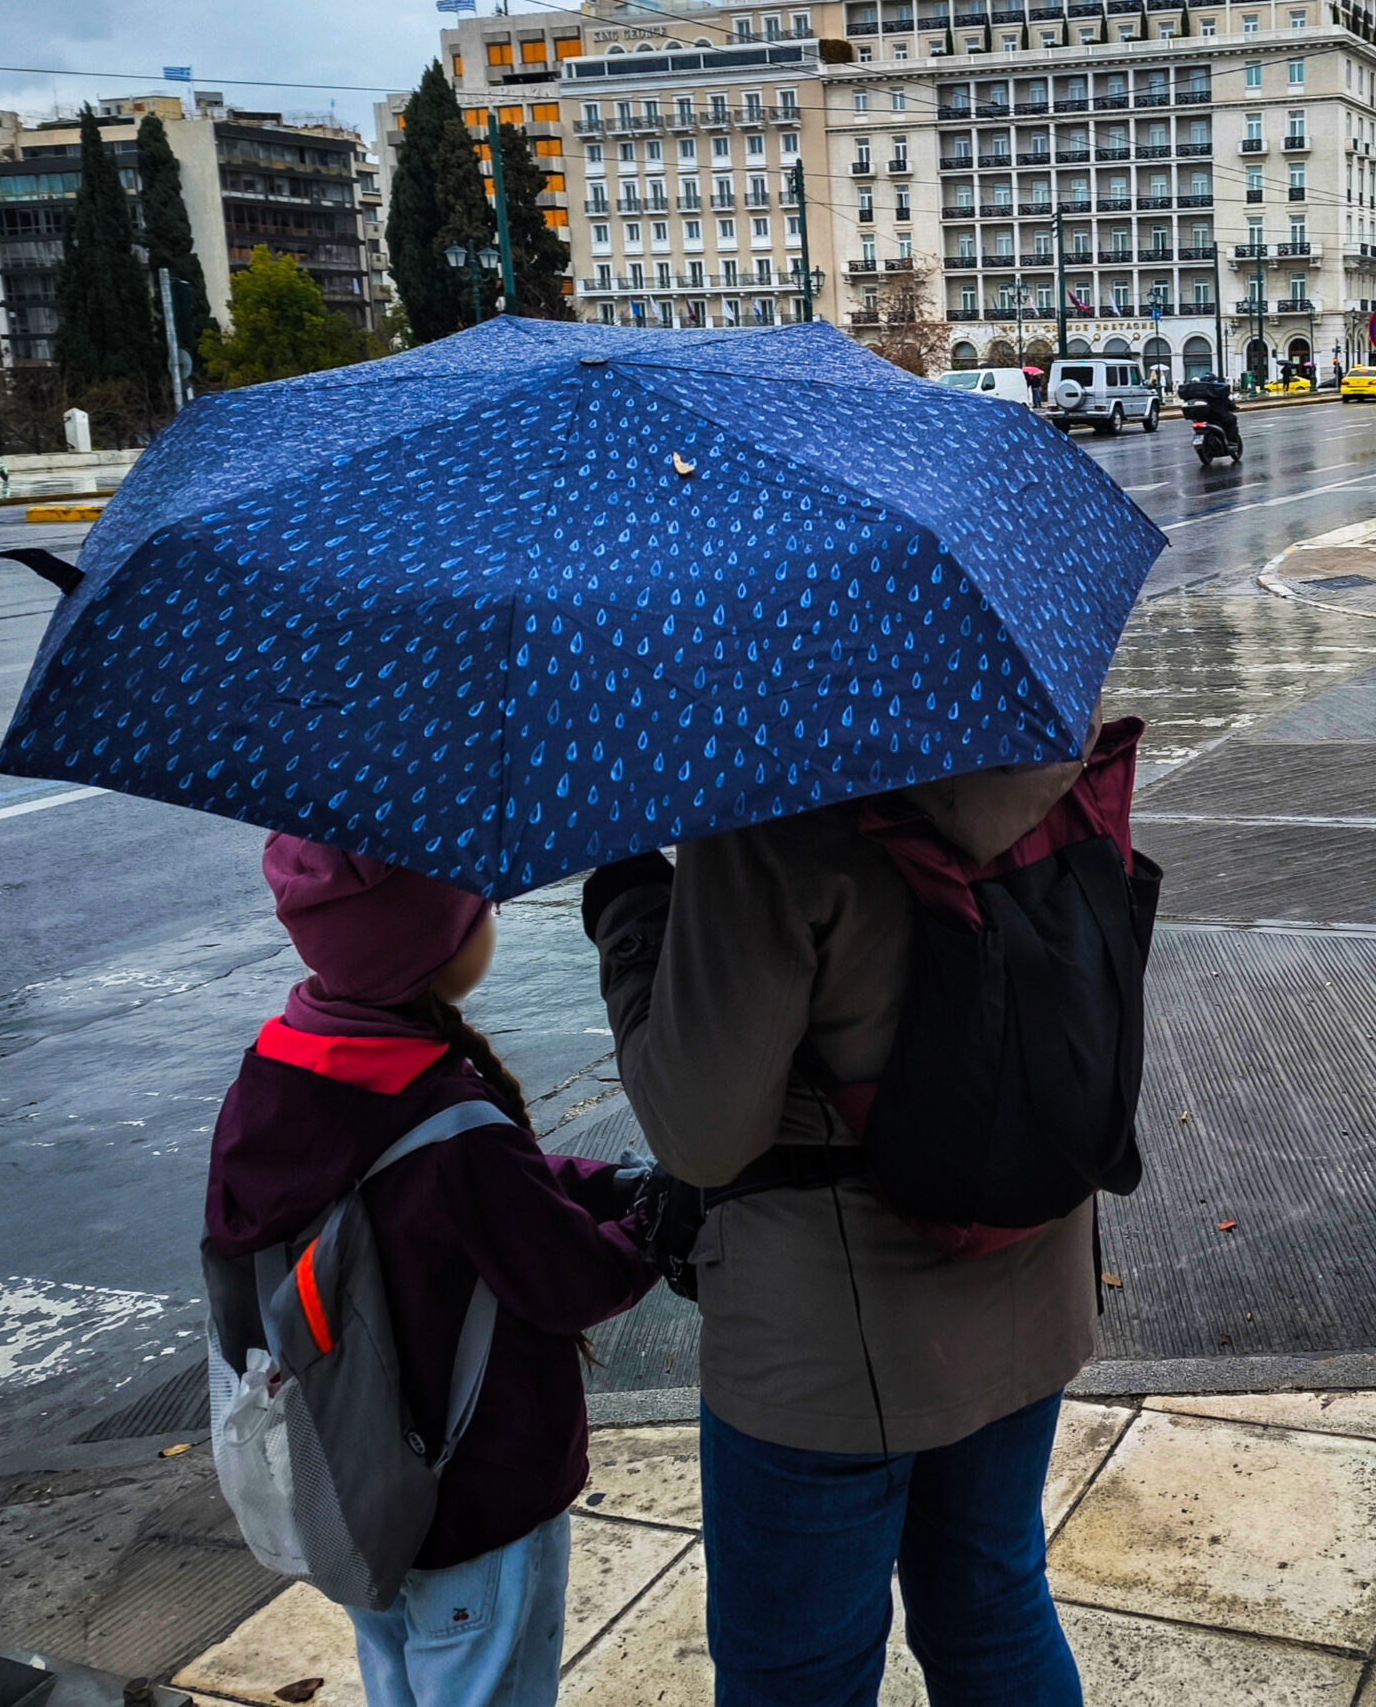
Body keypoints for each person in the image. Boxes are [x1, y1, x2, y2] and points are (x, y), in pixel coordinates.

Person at [582, 731, 1128, 1707]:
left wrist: (632, 920)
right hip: (1028, 1269)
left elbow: (700, 1128)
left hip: (827, 1339)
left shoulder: (764, 786)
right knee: (994, 1603)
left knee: (796, 1671)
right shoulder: (1035, 727)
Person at [207, 839, 657, 1707]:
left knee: (397, 1681)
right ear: (432, 943)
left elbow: (462, 1201)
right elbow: (567, 1275)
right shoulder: (452, 1125)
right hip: (478, 1501)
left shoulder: (278, 1070)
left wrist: (600, 1183)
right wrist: (650, 1228)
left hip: (357, 1490)